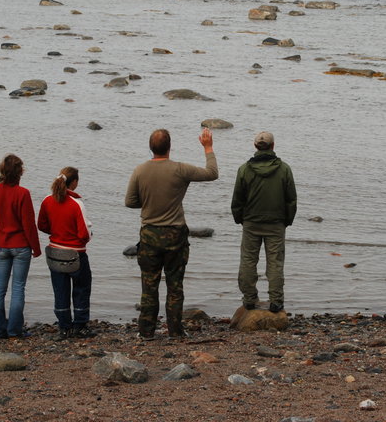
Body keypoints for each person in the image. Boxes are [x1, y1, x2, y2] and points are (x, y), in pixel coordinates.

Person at [125, 128, 218, 340]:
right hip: (175, 235)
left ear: (151, 148)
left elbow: (130, 202)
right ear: (169, 147)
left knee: (149, 286)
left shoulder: (140, 170)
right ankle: (175, 332)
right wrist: (208, 147)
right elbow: (212, 173)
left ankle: (146, 332)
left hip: (149, 235)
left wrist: (148, 202)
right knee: (175, 286)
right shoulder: (180, 169)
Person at [231, 132, 297, 313]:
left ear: (255, 146)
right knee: (275, 263)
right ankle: (276, 301)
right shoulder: (284, 169)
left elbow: (237, 199)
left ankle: (249, 299)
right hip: (276, 224)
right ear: (273, 146)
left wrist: (240, 219)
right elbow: (291, 199)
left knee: (248, 261)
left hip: (251, 223)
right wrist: (287, 221)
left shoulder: (244, 169)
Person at [0, 154, 41, 339]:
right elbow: (28, 224)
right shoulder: (23, 193)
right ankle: (14, 330)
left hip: (2, 244)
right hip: (21, 246)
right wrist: (36, 247)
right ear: (20, 172)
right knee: (18, 287)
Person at [37, 167, 93, 340]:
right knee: (81, 289)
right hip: (75, 254)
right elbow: (83, 234)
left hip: (55, 253)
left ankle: (64, 327)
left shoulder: (47, 200)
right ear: (74, 182)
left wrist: (57, 233)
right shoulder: (77, 204)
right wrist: (88, 236)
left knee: (60, 290)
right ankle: (80, 326)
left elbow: (42, 225)